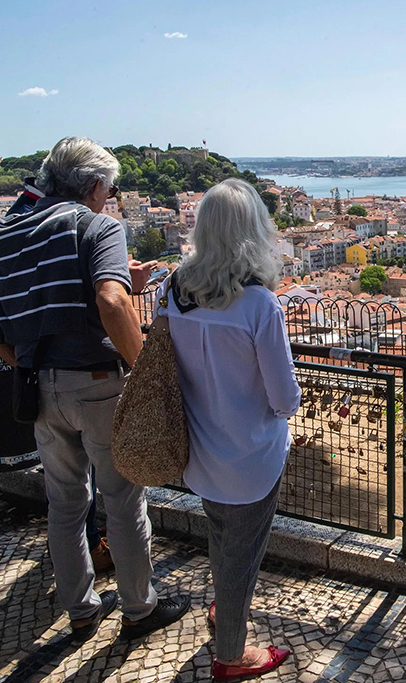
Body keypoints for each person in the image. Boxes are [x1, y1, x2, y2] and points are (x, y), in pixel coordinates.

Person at [0, 137, 189, 641]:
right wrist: (146, 372)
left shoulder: (8, 231)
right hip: (98, 383)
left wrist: (24, 363)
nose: (111, 197)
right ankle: (138, 608)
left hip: (38, 388)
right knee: (123, 500)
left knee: (64, 504)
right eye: (111, 188)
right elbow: (110, 302)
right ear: (95, 186)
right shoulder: (97, 227)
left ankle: (80, 608)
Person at [156, 178, 300, 681]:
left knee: (223, 536)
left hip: (196, 449)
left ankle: (225, 609)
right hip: (249, 456)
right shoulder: (259, 305)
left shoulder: (171, 290)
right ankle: (231, 655)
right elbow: (285, 399)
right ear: (253, 231)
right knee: (243, 552)